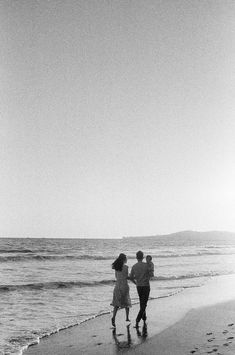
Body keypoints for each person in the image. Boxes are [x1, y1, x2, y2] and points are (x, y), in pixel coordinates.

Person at [129, 250, 152, 328]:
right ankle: (138, 319)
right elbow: (151, 274)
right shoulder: (146, 265)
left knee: (142, 302)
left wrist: (136, 283)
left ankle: (144, 318)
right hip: (146, 286)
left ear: (136, 257)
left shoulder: (134, 266)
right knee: (144, 303)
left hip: (138, 286)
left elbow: (131, 277)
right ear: (143, 257)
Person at [111, 253, 131, 327]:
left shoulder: (116, 267)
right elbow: (127, 277)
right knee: (126, 302)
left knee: (116, 304)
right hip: (124, 286)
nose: (126, 259)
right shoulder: (125, 267)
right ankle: (127, 318)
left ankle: (113, 318)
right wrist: (133, 277)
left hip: (117, 286)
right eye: (126, 258)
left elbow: (116, 277)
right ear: (124, 259)